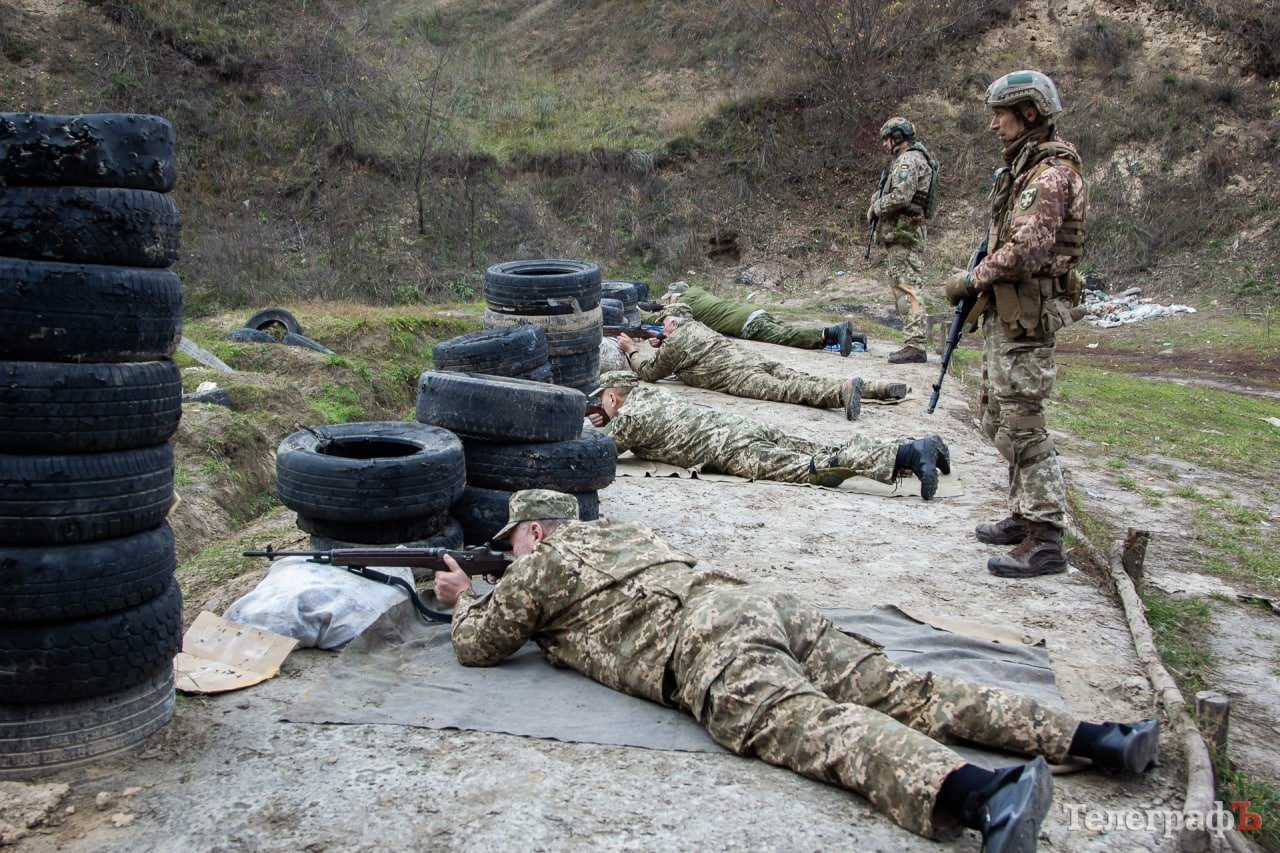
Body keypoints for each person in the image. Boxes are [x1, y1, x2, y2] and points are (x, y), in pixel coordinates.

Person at [433, 489, 1160, 851]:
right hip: (754, 601)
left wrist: (466, 598)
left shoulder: (547, 561)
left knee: (816, 726)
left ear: (535, 530)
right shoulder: (624, 531)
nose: (516, 554)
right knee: (910, 686)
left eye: (516, 543)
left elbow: (481, 643)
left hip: (706, 639)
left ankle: (985, 798)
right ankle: (1101, 737)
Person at [943, 71, 1087, 579]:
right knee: (997, 418)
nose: (992, 125)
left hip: (1027, 314)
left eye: (1000, 115)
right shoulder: (1022, 171)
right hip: (1008, 313)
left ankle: (1045, 537)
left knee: (1023, 424)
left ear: (1028, 113)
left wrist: (970, 279)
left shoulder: (1049, 176)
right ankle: (1024, 514)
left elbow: (1027, 249)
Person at [588, 370, 948, 500]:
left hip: (733, 450)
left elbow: (598, 452)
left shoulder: (630, 416)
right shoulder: (653, 393)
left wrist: (598, 426)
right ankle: (915, 448)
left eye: (603, 401)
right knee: (825, 448)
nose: (603, 407)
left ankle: (911, 455)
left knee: (815, 468)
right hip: (743, 428)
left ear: (614, 397)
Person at [616, 304, 907, 422]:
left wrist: (631, 351)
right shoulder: (697, 327)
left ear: (673, 321)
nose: (662, 328)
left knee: (790, 390)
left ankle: (841, 394)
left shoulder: (676, 340)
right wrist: (663, 343)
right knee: (800, 376)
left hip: (737, 376)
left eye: (664, 324)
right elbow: (687, 350)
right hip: (750, 359)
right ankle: (876, 388)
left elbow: (650, 373)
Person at [866, 116, 940, 365]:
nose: (885, 144)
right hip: (904, 233)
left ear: (897, 137)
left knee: (907, 288)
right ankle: (914, 342)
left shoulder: (909, 160)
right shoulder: (914, 159)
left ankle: (916, 344)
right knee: (903, 286)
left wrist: (876, 207)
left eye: (887, 139)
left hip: (904, 234)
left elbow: (901, 196)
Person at [639, 282, 862, 356]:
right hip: (753, 311)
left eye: (670, 299)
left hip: (746, 324)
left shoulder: (682, 304)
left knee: (787, 337)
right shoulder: (697, 292)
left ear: (676, 295)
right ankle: (854, 337)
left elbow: (652, 318)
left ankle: (833, 333)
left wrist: (633, 308)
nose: (668, 303)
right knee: (789, 328)